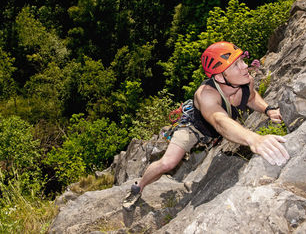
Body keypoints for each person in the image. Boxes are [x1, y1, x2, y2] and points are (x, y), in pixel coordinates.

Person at [122, 41, 290, 210]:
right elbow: (219, 121)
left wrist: (267, 109)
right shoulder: (206, 95)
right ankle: (139, 185)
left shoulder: (246, 81)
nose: (245, 66)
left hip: (213, 135)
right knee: (168, 163)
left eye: (242, 61)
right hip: (192, 128)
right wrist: (254, 139)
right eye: (236, 65)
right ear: (219, 77)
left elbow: (252, 98)